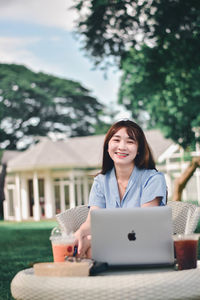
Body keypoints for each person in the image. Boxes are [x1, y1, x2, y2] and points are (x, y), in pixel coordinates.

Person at [74, 120, 167, 258]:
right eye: (116, 140)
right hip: (110, 243)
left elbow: (144, 224)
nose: (122, 147)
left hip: (144, 244)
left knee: (91, 249)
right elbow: (93, 220)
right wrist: (81, 232)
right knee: (84, 245)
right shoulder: (100, 181)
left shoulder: (153, 179)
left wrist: (95, 239)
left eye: (130, 142)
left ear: (139, 149)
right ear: (108, 146)